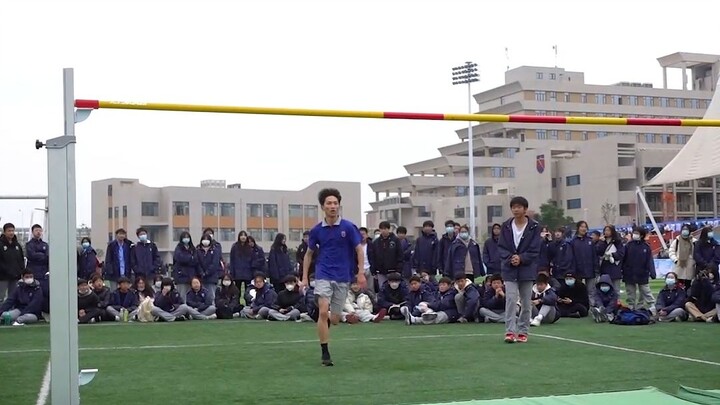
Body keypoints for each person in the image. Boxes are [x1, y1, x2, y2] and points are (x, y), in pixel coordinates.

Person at [300, 188, 366, 367]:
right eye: (329, 203)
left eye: (335, 203)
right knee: (323, 311)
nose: (332, 206)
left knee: (334, 319)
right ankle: (325, 352)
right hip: (323, 274)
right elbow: (308, 254)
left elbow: (359, 250)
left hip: (343, 276)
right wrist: (305, 277)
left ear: (339, 206)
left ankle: (328, 318)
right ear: (323, 206)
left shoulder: (348, 227)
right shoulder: (316, 231)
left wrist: (360, 273)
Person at [497, 196, 541, 344]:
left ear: (525, 209)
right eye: (513, 207)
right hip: (509, 269)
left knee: (526, 302)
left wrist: (521, 258)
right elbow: (501, 247)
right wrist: (511, 258)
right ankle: (509, 331)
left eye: (519, 207)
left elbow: (535, 249)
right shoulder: (506, 226)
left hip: (527, 269)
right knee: (510, 299)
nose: (516, 209)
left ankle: (523, 331)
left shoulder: (534, 227)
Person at [371, 221, 404, 288]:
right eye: (382, 229)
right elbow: (373, 257)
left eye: (385, 229)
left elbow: (400, 255)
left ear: (389, 229)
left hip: (393, 271)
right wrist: (374, 271)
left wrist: (399, 270)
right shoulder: (376, 242)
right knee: (382, 289)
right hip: (380, 271)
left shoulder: (395, 240)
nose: (383, 231)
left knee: (393, 289)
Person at [0, 223, 24, 303]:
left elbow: (21, 260)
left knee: (13, 296)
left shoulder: (17, 245)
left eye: (13, 231)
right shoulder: (1, 244)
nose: (11, 233)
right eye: (9, 231)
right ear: (4, 232)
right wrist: (6, 270)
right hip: (3, 277)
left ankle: (10, 312)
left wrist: (22, 271)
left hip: (15, 276)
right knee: (1, 296)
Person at [668, 224, 696, 289]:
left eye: (686, 229)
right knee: (679, 286)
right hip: (679, 267)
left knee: (688, 286)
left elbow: (696, 253)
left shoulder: (694, 241)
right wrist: (675, 260)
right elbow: (671, 251)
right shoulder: (677, 241)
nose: (685, 231)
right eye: (683, 229)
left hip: (690, 268)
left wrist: (693, 262)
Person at [197, 234, 222, 302]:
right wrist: (201, 272)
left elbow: (214, 264)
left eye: (207, 239)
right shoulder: (198, 250)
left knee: (211, 296)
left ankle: (212, 310)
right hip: (201, 278)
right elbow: (197, 263)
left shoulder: (215, 250)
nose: (205, 241)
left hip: (212, 277)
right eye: (204, 239)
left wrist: (207, 272)